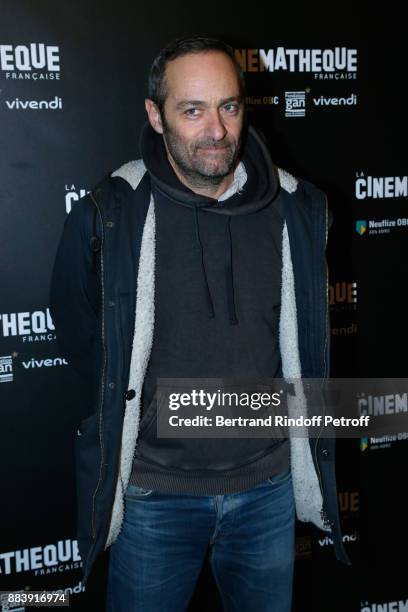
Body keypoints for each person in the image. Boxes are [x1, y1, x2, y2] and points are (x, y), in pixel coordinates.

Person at [50, 34, 351, 612]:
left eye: (229, 107)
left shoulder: (294, 208)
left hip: (268, 491)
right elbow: (82, 330)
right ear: (155, 115)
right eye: (192, 110)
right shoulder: (112, 211)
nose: (216, 130)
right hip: (154, 498)